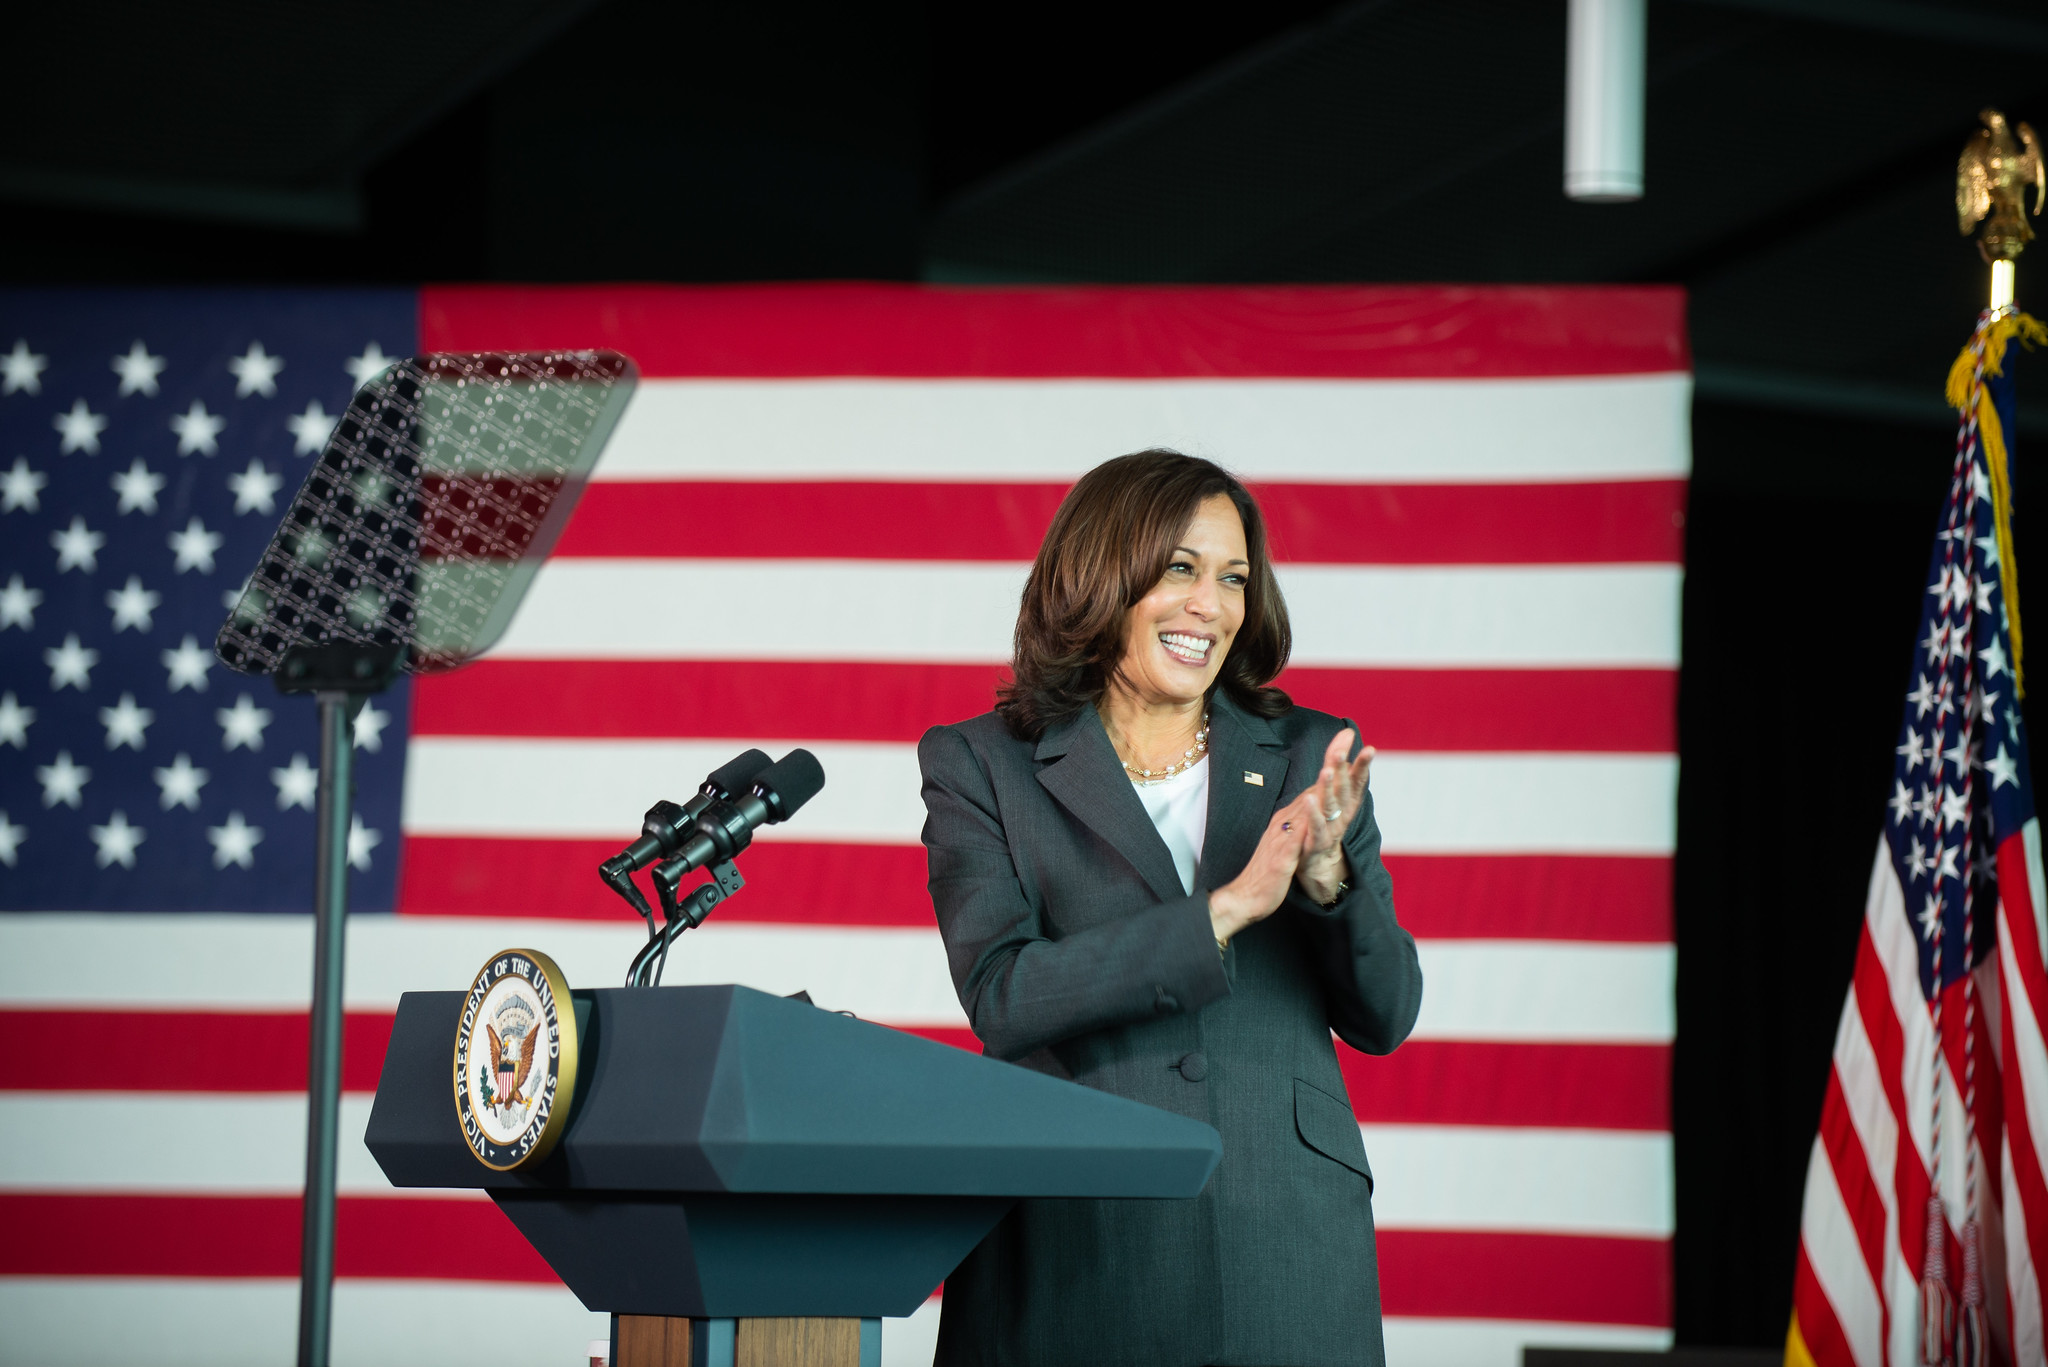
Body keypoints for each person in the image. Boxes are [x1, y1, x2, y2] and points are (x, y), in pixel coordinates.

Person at [918, 449, 1424, 1367]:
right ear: (1101, 575)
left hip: (1286, 1250)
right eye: (1180, 569)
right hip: (1074, 1250)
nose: (1212, 605)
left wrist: (1325, 887)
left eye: (1233, 578)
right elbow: (1003, 993)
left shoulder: (1312, 753)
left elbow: (1386, 1014)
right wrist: (1223, 911)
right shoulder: (981, 763)